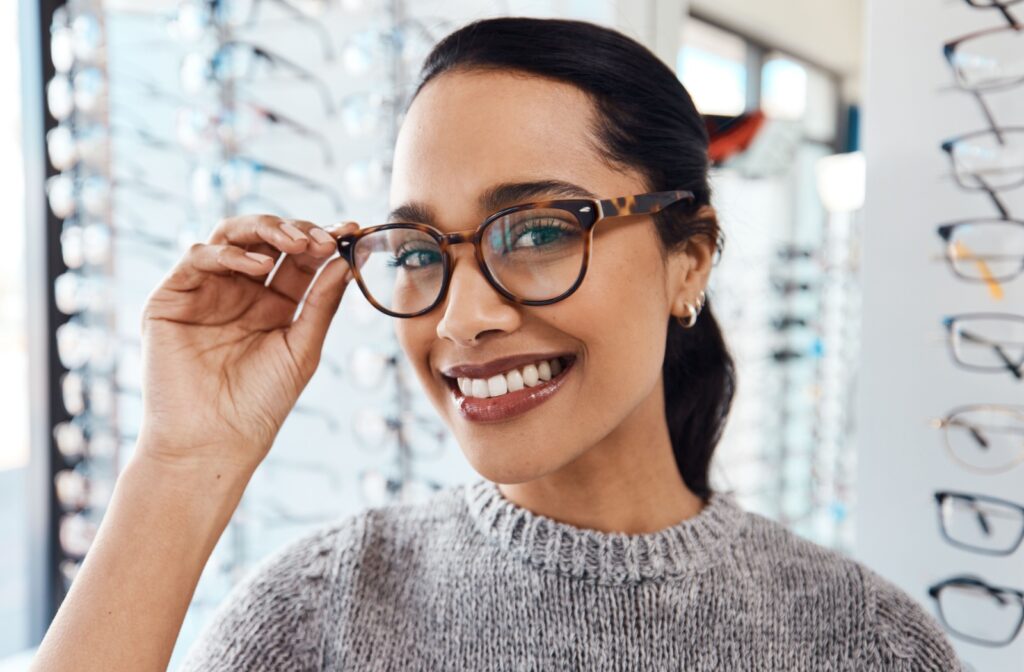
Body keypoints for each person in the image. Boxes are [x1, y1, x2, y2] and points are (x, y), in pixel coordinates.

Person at [31, 16, 963, 672]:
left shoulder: (861, 642)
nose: (459, 318)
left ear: (689, 260)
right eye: (419, 249)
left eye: (538, 229)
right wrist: (182, 463)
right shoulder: (318, 612)